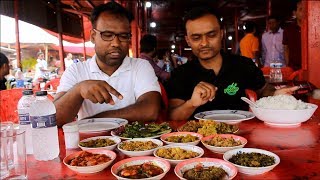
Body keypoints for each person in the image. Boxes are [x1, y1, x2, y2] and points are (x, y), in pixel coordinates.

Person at [167, 6, 299, 121]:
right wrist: (191, 104)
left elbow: (263, 89)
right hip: (199, 142)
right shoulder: (181, 74)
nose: (204, 43)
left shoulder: (243, 65)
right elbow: (173, 115)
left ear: (221, 34)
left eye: (211, 35)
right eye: (196, 38)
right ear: (188, 40)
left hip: (241, 136)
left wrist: (277, 94)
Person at [54, 2, 161, 127]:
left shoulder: (140, 66)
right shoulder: (76, 70)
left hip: (134, 143)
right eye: (107, 35)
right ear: (93, 36)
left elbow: (150, 110)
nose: (115, 43)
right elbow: (54, 119)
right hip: (89, 144)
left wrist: (96, 120)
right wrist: (78, 90)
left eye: (123, 36)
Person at [283, 0, 304, 70]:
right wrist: (288, 65)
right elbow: (286, 49)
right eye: (301, 9)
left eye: (305, 9)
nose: (304, 12)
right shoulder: (288, 29)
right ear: (295, 13)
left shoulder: (314, 29)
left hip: (312, 67)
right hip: (293, 68)